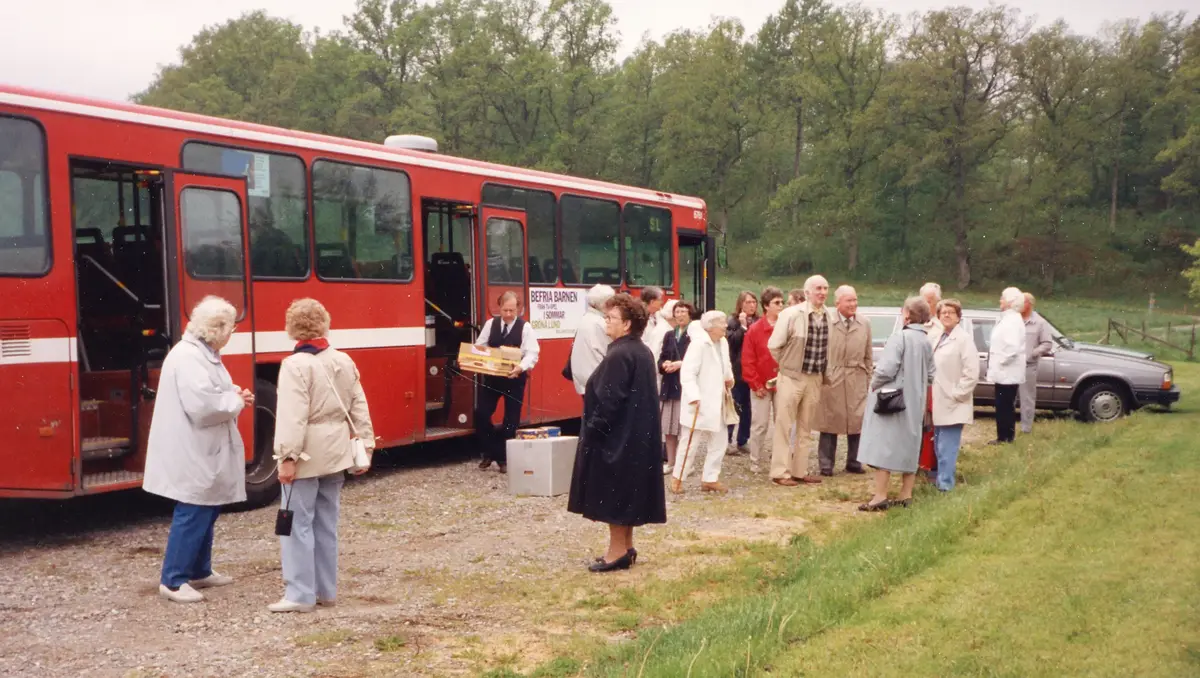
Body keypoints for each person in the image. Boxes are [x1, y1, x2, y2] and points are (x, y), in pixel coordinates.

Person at [143, 296, 254, 604]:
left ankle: (199, 570)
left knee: (207, 504)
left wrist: (233, 394)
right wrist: (236, 401)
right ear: (217, 329)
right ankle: (174, 580)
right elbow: (202, 406)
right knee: (195, 507)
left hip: (200, 444)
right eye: (230, 328)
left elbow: (209, 392)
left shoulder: (199, 354)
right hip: (193, 445)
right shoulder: (190, 357)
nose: (231, 334)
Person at [269, 298, 375, 613]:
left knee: (296, 523)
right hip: (337, 450)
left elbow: (292, 416)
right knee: (327, 523)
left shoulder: (294, 365)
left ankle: (299, 594)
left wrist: (287, 457)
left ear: (292, 329)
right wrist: (366, 443)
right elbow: (359, 404)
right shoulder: (343, 360)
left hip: (305, 454)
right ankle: (325, 590)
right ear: (324, 323)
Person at [568, 294, 666, 572]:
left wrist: (593, 431)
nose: (606, 321)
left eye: (611, 317)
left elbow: (609, 401)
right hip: (635, 436)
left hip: (617, 439)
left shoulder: (620, 353)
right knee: (628, 493)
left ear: (626, 325)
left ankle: (616, 552)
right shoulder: (640, 350)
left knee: (614, 494)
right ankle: (627, 547)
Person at [856, 297, 935, 511]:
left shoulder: (899, 337)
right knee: (910, 445)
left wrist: (873, 383)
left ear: (908, 315)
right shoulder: (926, 341)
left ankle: (880, 495)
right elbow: (931, 375)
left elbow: (886, 369)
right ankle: (905, 493)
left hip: (892, 401)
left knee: (884, 445)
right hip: (915, 402)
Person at [767, 275, 836, 486]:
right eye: (818, 288)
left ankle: (799, 471)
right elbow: (774, 346)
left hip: (814, 378)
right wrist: (788, 367)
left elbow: (828, 349)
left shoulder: (828, 316)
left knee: (806, 428)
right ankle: (780, 472)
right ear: (807, 293)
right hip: (791, 378)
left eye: (825, 288)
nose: (822, 292)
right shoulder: (791, 314)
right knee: (784, 425)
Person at [474, 291, 540, 472]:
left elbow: (532, 353)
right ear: (499, 308)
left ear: (518, 309)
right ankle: (490, 451)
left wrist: (520, 367)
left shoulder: (525, 327)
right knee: (481, 413)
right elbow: (480, 346)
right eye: (505, 310)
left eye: (512, 310)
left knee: (511, 420)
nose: (509, 314)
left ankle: (503, 459)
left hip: (514, 379)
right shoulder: (490, 324)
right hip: (493, 378)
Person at [672, 311, 736, 494]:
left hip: (718, 401)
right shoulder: (698, 344)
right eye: (722, 323)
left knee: (719, 441)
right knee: (690, 442)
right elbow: (687, 373)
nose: (726, 326)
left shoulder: (722, 342)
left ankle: (710, 478)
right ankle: (678, 477)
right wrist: (694, 396)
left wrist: (729, 378)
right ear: (710, 326)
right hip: (699, 402)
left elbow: (727, 364)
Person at [815, 285, 872, 476]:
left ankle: (854, 462)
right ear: (837, 302)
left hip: (857, 376)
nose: (853, 304)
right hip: (833, 376)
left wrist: (868, 379)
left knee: (857, 421)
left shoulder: (864, 323)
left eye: (855, 300)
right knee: (829, 421)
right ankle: (826, 464)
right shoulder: (827, 321)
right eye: (849, 300)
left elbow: (868, 355)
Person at [927, 299, 979, 492]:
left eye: (951, 312)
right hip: (938, 401)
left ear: (958, 317)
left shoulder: (964, 339)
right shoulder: (938, 336)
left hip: (954, 402)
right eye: (943, 312)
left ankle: (945, 486)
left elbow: (972, 372)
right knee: (939, 446)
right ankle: (941, 481)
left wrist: (958, 394)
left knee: (947, 447)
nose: (946, 315)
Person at [742, 287, 784, 475]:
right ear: (766, 306)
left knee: (783, 422)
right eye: (776, 303)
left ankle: (781, 460)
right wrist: (755, 384)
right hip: (761, 384)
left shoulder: (786, 325)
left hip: (783, 383)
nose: (780, 306)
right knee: (760, 424)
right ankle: (755, 460)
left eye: (782, 302)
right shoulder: (755, 329)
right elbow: (748, 360)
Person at [658, 301, 693, 474]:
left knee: (684, 429)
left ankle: (685, 463)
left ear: (689, 314)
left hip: (685, 386)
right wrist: (664, 364)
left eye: (683, 311)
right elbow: (661, 357)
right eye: (677, 312)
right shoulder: (669, 335)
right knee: (669, 428)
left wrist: (681, 364)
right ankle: (671, 462)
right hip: (670, 384)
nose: (680, 315)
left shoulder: (693, 335)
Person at [988, 287, 1026, 445]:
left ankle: (1005, 438)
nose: (1000, 301)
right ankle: (1004, 436)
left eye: (1002, 298)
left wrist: (1000, 362)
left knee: (1005, 406)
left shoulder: (1012, 320)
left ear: (1010, 302)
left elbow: (1012, 348)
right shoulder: (1009, 318)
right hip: (1004, 372)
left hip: (1007, 372)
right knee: (1003, 405)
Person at [725, 291, 759, 455]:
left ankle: (742, 440)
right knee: (734, 406)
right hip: (737, 371)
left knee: (748, 408)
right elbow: (731, 341)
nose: (751, 305)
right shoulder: (732, 321)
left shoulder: (759, 321)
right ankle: (727, 440)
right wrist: (743, 327)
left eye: (754, 302)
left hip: (753, 371)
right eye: (748, 302)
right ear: (741, 304)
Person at [570, 284, 616, 395]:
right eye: (612, 302)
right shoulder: (601, 323)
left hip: (585, 382)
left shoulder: (586, 318)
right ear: (606, 303)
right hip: (598, 383)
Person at [1020, 292, 1054, 434]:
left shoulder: (1039, 322)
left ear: (1029, 304)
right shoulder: (1014, 320)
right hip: (1011, 365)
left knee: (1027, 398)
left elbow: (1047, 343)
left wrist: (1032, 354)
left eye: (1022, 302)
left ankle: (1026, 428)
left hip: (1028, 366)